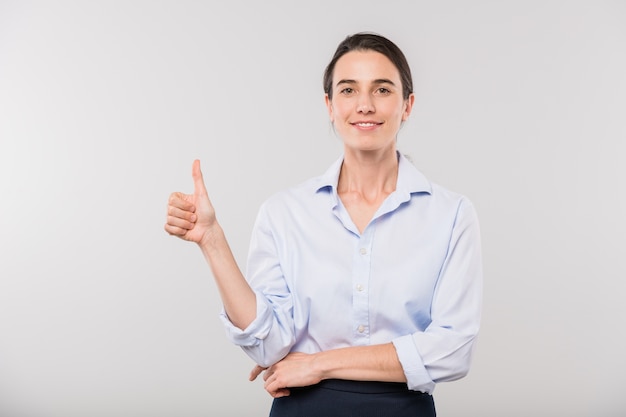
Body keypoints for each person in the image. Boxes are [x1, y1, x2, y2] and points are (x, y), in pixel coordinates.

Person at [165, 32, 482, 417]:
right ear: (330, 105)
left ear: (407, 105)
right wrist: (211, 241)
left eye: (382, 90)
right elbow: (269, 345)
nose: (364, 105)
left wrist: (319, 363)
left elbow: (453, 351)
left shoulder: (450, 215)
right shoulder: (284, 212)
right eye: (348, 90)